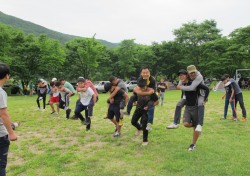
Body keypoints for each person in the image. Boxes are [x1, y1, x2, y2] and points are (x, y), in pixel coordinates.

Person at [167, 65, 206, 133]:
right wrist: (180, 85)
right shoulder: (185, 77)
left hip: (201, 94)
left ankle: (199, 124)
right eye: (190, 73)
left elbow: (192, 88)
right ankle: (175, 123)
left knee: (200, 104)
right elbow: (180, 82)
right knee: (179, 105)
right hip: (187, 97)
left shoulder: (199, 77)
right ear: (188, 73)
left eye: (193, 72)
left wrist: (205, 98)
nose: (192, 74)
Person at [177, 69, 209, 151]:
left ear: (187, 75)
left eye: (183, 75)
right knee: (186, 124)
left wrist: (205, 99)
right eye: (180, 76)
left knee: (196, 127)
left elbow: (207, 89)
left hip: (196, 107)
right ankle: (195, 127)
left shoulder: (195, 83)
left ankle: (193, 144)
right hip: (188, 107)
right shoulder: (183, 84)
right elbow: (184, 93)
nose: (181, 77)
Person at [125, 66, 156, 131]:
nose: (145, 74)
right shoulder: (139, 79)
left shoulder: (152, 80)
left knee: (150, 106)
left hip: (149, 97)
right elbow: (137, 88)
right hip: (140, 96)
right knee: (132, 97)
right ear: (141, 73)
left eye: (147, 72)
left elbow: (152, 91)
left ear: (149, 72)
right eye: (143, 73)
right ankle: (128, 111)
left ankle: (149, 124)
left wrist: (141, 92)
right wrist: (134, 99)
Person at [0, 63, 18, 175]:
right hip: (0, 135)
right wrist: (11, 133)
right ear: (7, 76)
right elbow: (3, 114)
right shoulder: (1, 93)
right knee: (1, 165)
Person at [131, 78, 159, 146]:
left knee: (144, 124)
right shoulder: (137, 90)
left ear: (146, 85)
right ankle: (139, 128)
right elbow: (133, 96)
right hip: (138, 108)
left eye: (143, 87)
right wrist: (134, 102)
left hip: (146, 110)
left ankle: (145, 140)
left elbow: (157, 102)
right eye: (141, 88)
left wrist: (149, 107)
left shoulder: (151, 92)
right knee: (133, 121)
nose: (142, 89)